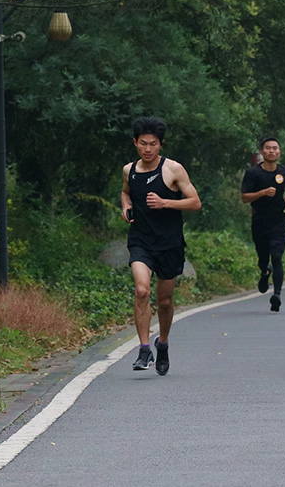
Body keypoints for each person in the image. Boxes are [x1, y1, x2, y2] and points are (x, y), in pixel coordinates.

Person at [121, 116, 202, 376]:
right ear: (135, 143)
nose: (147, 149)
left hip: (169, 243)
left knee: (165, 301)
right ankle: (144, 348)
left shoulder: (173, 169)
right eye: (143, 144)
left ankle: (162, 343)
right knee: (142, 290)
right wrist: (126, 205)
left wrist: (166, 203)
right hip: (141, 240)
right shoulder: (129, 170)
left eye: (153, 144)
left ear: (161, 145)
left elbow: (195, 202)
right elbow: (125, 192)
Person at [241, 138, 285, 311]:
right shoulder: (253, 173)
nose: (271, 151)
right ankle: (265, 272)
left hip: (279, 221)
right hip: (259, 221)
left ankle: (277, 294)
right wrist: (262, 193)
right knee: (263, 258)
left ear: (279, 152)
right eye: (268, 148)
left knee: (277, 255)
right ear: (262, 152)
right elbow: (244, 197)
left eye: (274, 148)